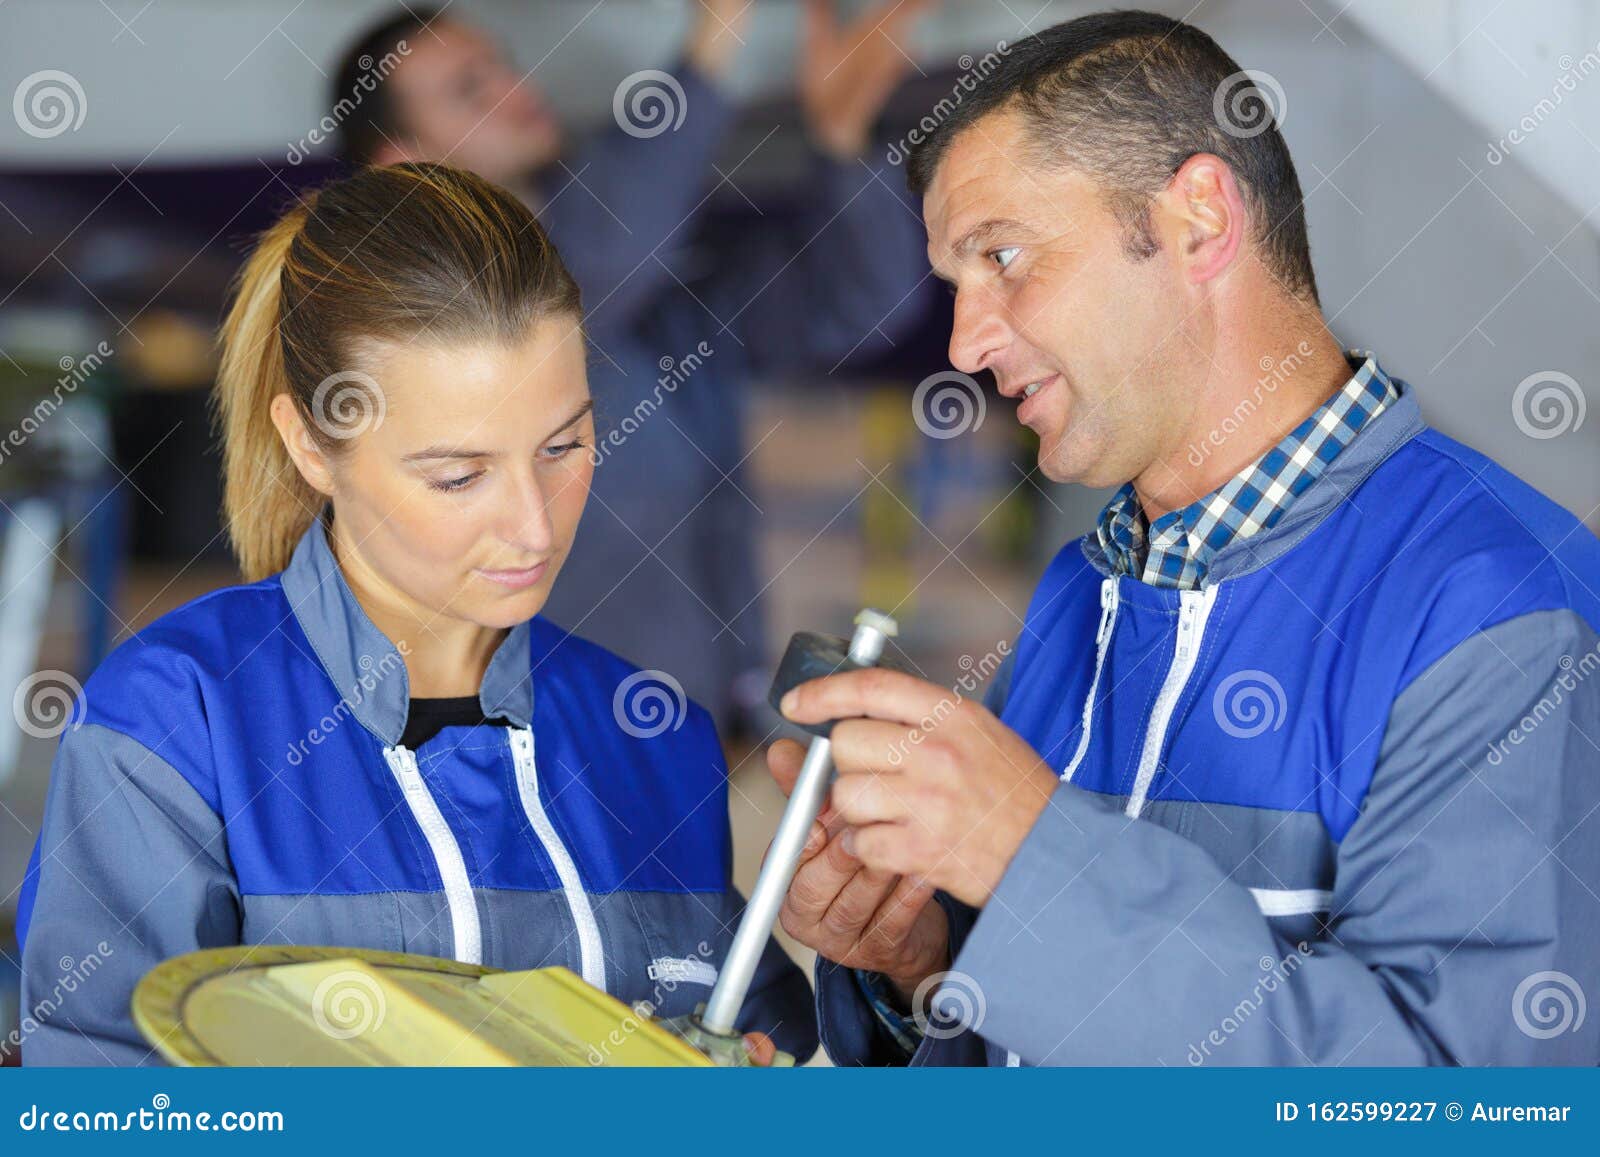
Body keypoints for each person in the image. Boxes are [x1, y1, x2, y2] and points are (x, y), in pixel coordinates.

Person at [767, 11, 1600, 1066]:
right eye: (956, 281)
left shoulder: (1508, 611)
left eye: (1004, 255)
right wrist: (922, 959)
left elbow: (1458, 1105)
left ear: (1199, 219)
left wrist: (1034, 860)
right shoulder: (1085, 590)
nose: (966, 341)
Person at [15, 163, 814, 1066]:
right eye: (458, 475)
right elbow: (98, 1107)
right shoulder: (176, 723)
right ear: (312, 443)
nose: (533, 523)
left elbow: (761, 1040)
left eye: (566, 445)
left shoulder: (653, 735)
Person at [331, 2, 931, 732]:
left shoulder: (653, 300)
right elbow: (599, 253)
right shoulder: (449, 324)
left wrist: (843, 142)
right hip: (564, 755)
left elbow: (862, 305)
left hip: (701, 732)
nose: (515, 88)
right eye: (469, 89)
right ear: (404, 161)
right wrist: (714, 40)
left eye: (501, 66)